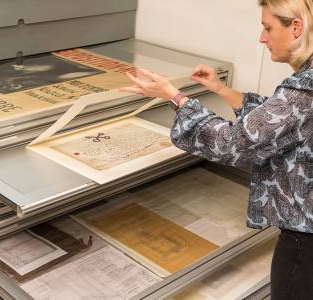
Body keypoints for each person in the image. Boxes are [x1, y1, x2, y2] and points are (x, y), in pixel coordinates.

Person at [120, 0, 313, 299]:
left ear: (296, 28)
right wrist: (221, 89)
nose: (262, 38)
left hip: (305, 243)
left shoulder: (304, 90)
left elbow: (233, 144)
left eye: (267, 28)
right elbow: (279, 120)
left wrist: (175, 97)